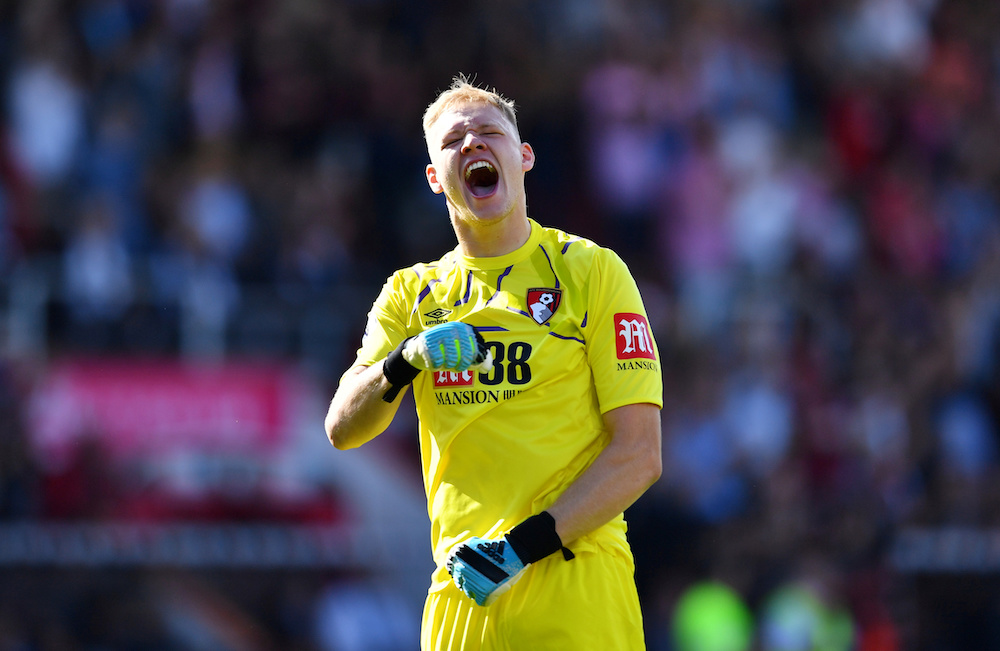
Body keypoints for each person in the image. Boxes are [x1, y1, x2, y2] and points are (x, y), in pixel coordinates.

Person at [325, 75, 664, 650]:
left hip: (576, 586)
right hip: (464, 599)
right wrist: (406, 361)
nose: (473, 145)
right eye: (454, 141)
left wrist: (521, 549)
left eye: (489, 132)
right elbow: (342, 428)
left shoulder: (591, 272)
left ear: (523, 155)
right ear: (435, 177)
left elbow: (639, 454)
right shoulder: (411, 295)